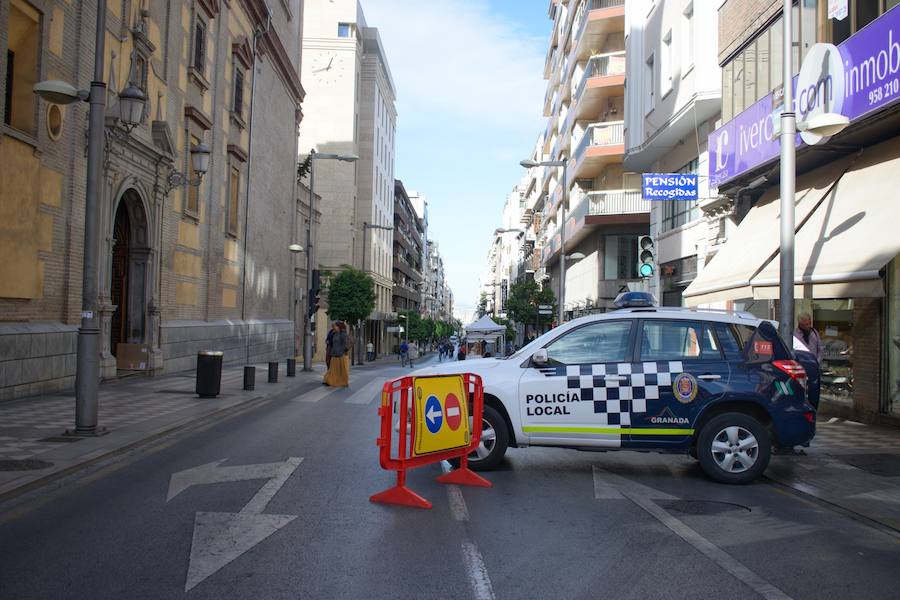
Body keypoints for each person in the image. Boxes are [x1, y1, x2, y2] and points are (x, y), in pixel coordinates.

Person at [324, 321, 350, 387]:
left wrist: (340, 352)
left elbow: (345, 345)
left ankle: (342, 382)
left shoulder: (343, 334)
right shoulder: (334, 333)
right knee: (332, 370)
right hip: (334, 355)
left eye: (335, 326)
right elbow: (332, 343)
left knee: (341, 371)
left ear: (339, 327)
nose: (334, 327)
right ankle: (330, 380)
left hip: (341, 355)